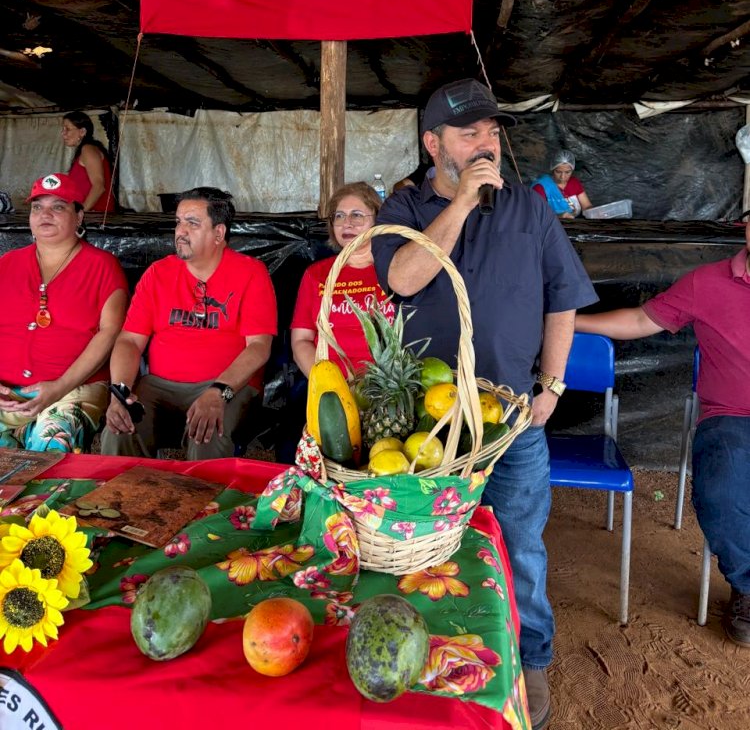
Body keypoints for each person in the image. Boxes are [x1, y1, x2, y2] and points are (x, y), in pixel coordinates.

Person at [372, 78, 597, 730]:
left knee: (519, 546)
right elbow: (403, 277)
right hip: (426, 425)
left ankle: (531, 662)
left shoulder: (530, 207)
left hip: (511, 423)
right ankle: (432, 656)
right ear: (432, 143)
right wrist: (464, 201)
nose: (486, 144)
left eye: (492, 133)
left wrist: (552, 385)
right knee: (425, 547)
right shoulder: (404, 205)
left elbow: (564, 297)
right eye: (470, 134)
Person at [575, 209, 750, 648]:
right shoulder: (707, 282)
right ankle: (748, 587)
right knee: (723, 491)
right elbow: (640, 321)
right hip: (732, 417)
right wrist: (564, 321)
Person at [100, 187, 277, 460]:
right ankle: (120, 501)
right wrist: (120, 392)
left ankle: (207, 504)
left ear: (219, 233)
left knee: (208, 433)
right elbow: (129, 340)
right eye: (178, 222)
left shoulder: (251, 273)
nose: (181, 231)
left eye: (192, 223)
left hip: (228, 385)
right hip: (159, 386)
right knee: (120, 427)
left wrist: (219, 392)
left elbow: (259, 347)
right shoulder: (158, 273)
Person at [0, 172, 127, 451]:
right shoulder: (7, 264)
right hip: (7, 391)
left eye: (58, 207)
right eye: (37, 207)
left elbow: (109, 334)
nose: (45, 214)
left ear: (79, 216)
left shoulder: (103, 267)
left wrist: (59, 386)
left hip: (72, 392)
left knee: (52, 444)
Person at [291, 182, 394, 378]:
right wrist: (328, 383)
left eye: (357, 215)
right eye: (339, 216)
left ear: (378, 221)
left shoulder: (395, 268)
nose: (347, 223)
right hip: (332, 387)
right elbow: (301, 340)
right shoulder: (317, 274)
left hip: (387, 387)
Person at [62, 110, 116, 213]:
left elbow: (99, 187)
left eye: (67, 129)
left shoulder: (88, 149)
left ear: (82, 132)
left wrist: (81, 213)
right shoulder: (85, 150)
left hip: (96, 216)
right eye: (63, 129)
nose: (63, 133)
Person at [532, 150, 592, 219]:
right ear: (552, 169)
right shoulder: (541, 187)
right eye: (558, 172)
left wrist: (593, 212)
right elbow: (537, 215)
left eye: (567, 172)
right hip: (551, 227)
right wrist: (559, 217)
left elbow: (587, 206)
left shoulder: (574, 183)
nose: (562, 177)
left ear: (572, 170)